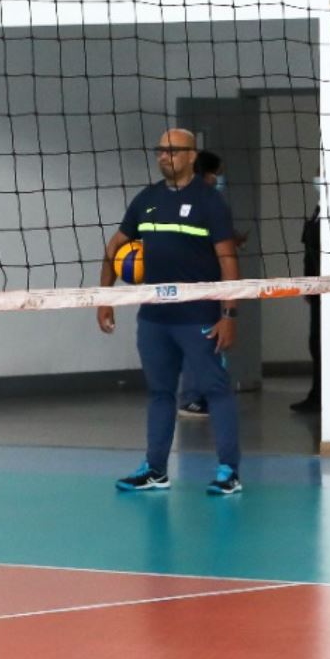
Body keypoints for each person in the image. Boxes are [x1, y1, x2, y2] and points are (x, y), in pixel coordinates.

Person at [98, 127, 244, 495]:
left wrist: (229, 315)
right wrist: (104, 297)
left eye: (173, 150)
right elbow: (115, 247)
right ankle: (155, 469)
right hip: (154, 318)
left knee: (215, 390)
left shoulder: (210, 202)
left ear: (192, 156)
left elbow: (228, 260)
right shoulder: (146, 199)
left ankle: (229, 471)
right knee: (159, 392)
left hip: (199, 316)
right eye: (160, 150)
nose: (164, 156)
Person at [180, 150, 247, 418]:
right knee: (202, 340)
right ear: (207, 175)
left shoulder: (202, 201)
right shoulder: (203, 200)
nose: (220, 180)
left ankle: (199, 395)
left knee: (203, 340)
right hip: (197, 284)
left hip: (204, 283)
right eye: (217, 175)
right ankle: (193, 398)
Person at [291, 193, 321, 414]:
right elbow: (307, 253)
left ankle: (320, 396)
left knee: (321, 343)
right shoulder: (317, 210)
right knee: (315, 342)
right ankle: (316, 395)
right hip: (315, 288)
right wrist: (306, 283)